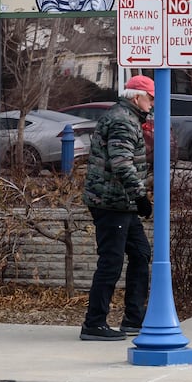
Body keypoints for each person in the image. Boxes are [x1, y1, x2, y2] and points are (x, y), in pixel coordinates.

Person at [79, 74, 154, 341]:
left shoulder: (127, 117)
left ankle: (133, 319)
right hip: (112, 202)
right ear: (136, 97)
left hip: (121, 202)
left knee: (140, 253)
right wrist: (141, 196)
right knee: (111, 262)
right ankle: (94, 323)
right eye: (150, 98)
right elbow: (122, 163)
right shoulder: (123, 120)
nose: (152, 104)